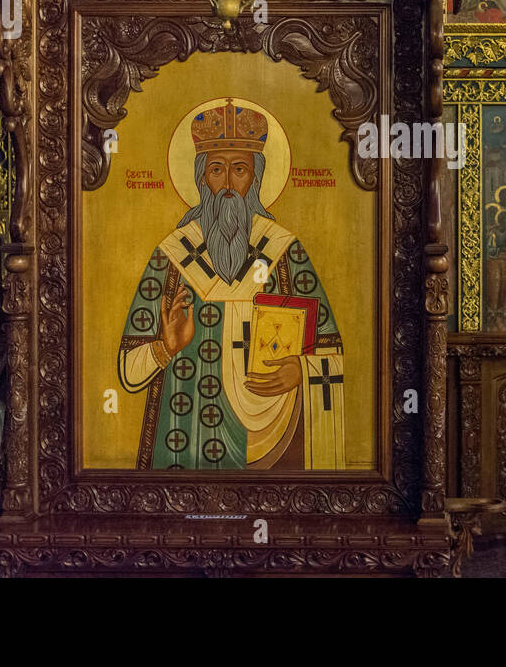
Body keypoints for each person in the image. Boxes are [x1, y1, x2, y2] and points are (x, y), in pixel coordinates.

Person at [117, 101, 346, 470]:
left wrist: (301, 372)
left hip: (273, 440)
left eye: (239, 170)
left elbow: (333, 352)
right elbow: (128, 373)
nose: (227, 184)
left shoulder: (284, 251)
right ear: (200, 177)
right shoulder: (172, 256)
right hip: (184, 449)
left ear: (255, 177)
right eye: (216, 169)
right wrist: (165, 348)